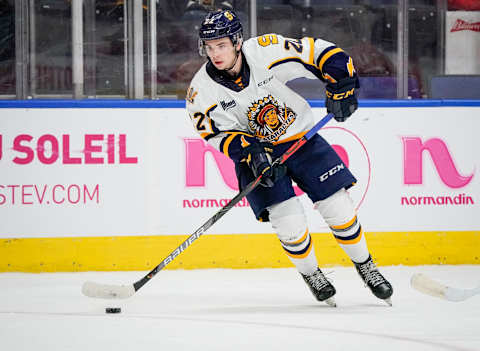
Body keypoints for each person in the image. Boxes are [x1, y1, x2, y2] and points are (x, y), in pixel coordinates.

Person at [186, 9, 393, 306]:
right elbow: (216, 134)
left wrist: (341, 84)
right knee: (289, 224)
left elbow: (320, 53)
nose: (215, 53)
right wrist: (251, 151)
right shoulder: (200, 92)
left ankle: (366, 266)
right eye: (209, 47)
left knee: (340, 209)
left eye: (221, 45)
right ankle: (312, 274)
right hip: (258, 156)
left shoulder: (265, 51)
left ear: (237, 41)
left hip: (302, 140)